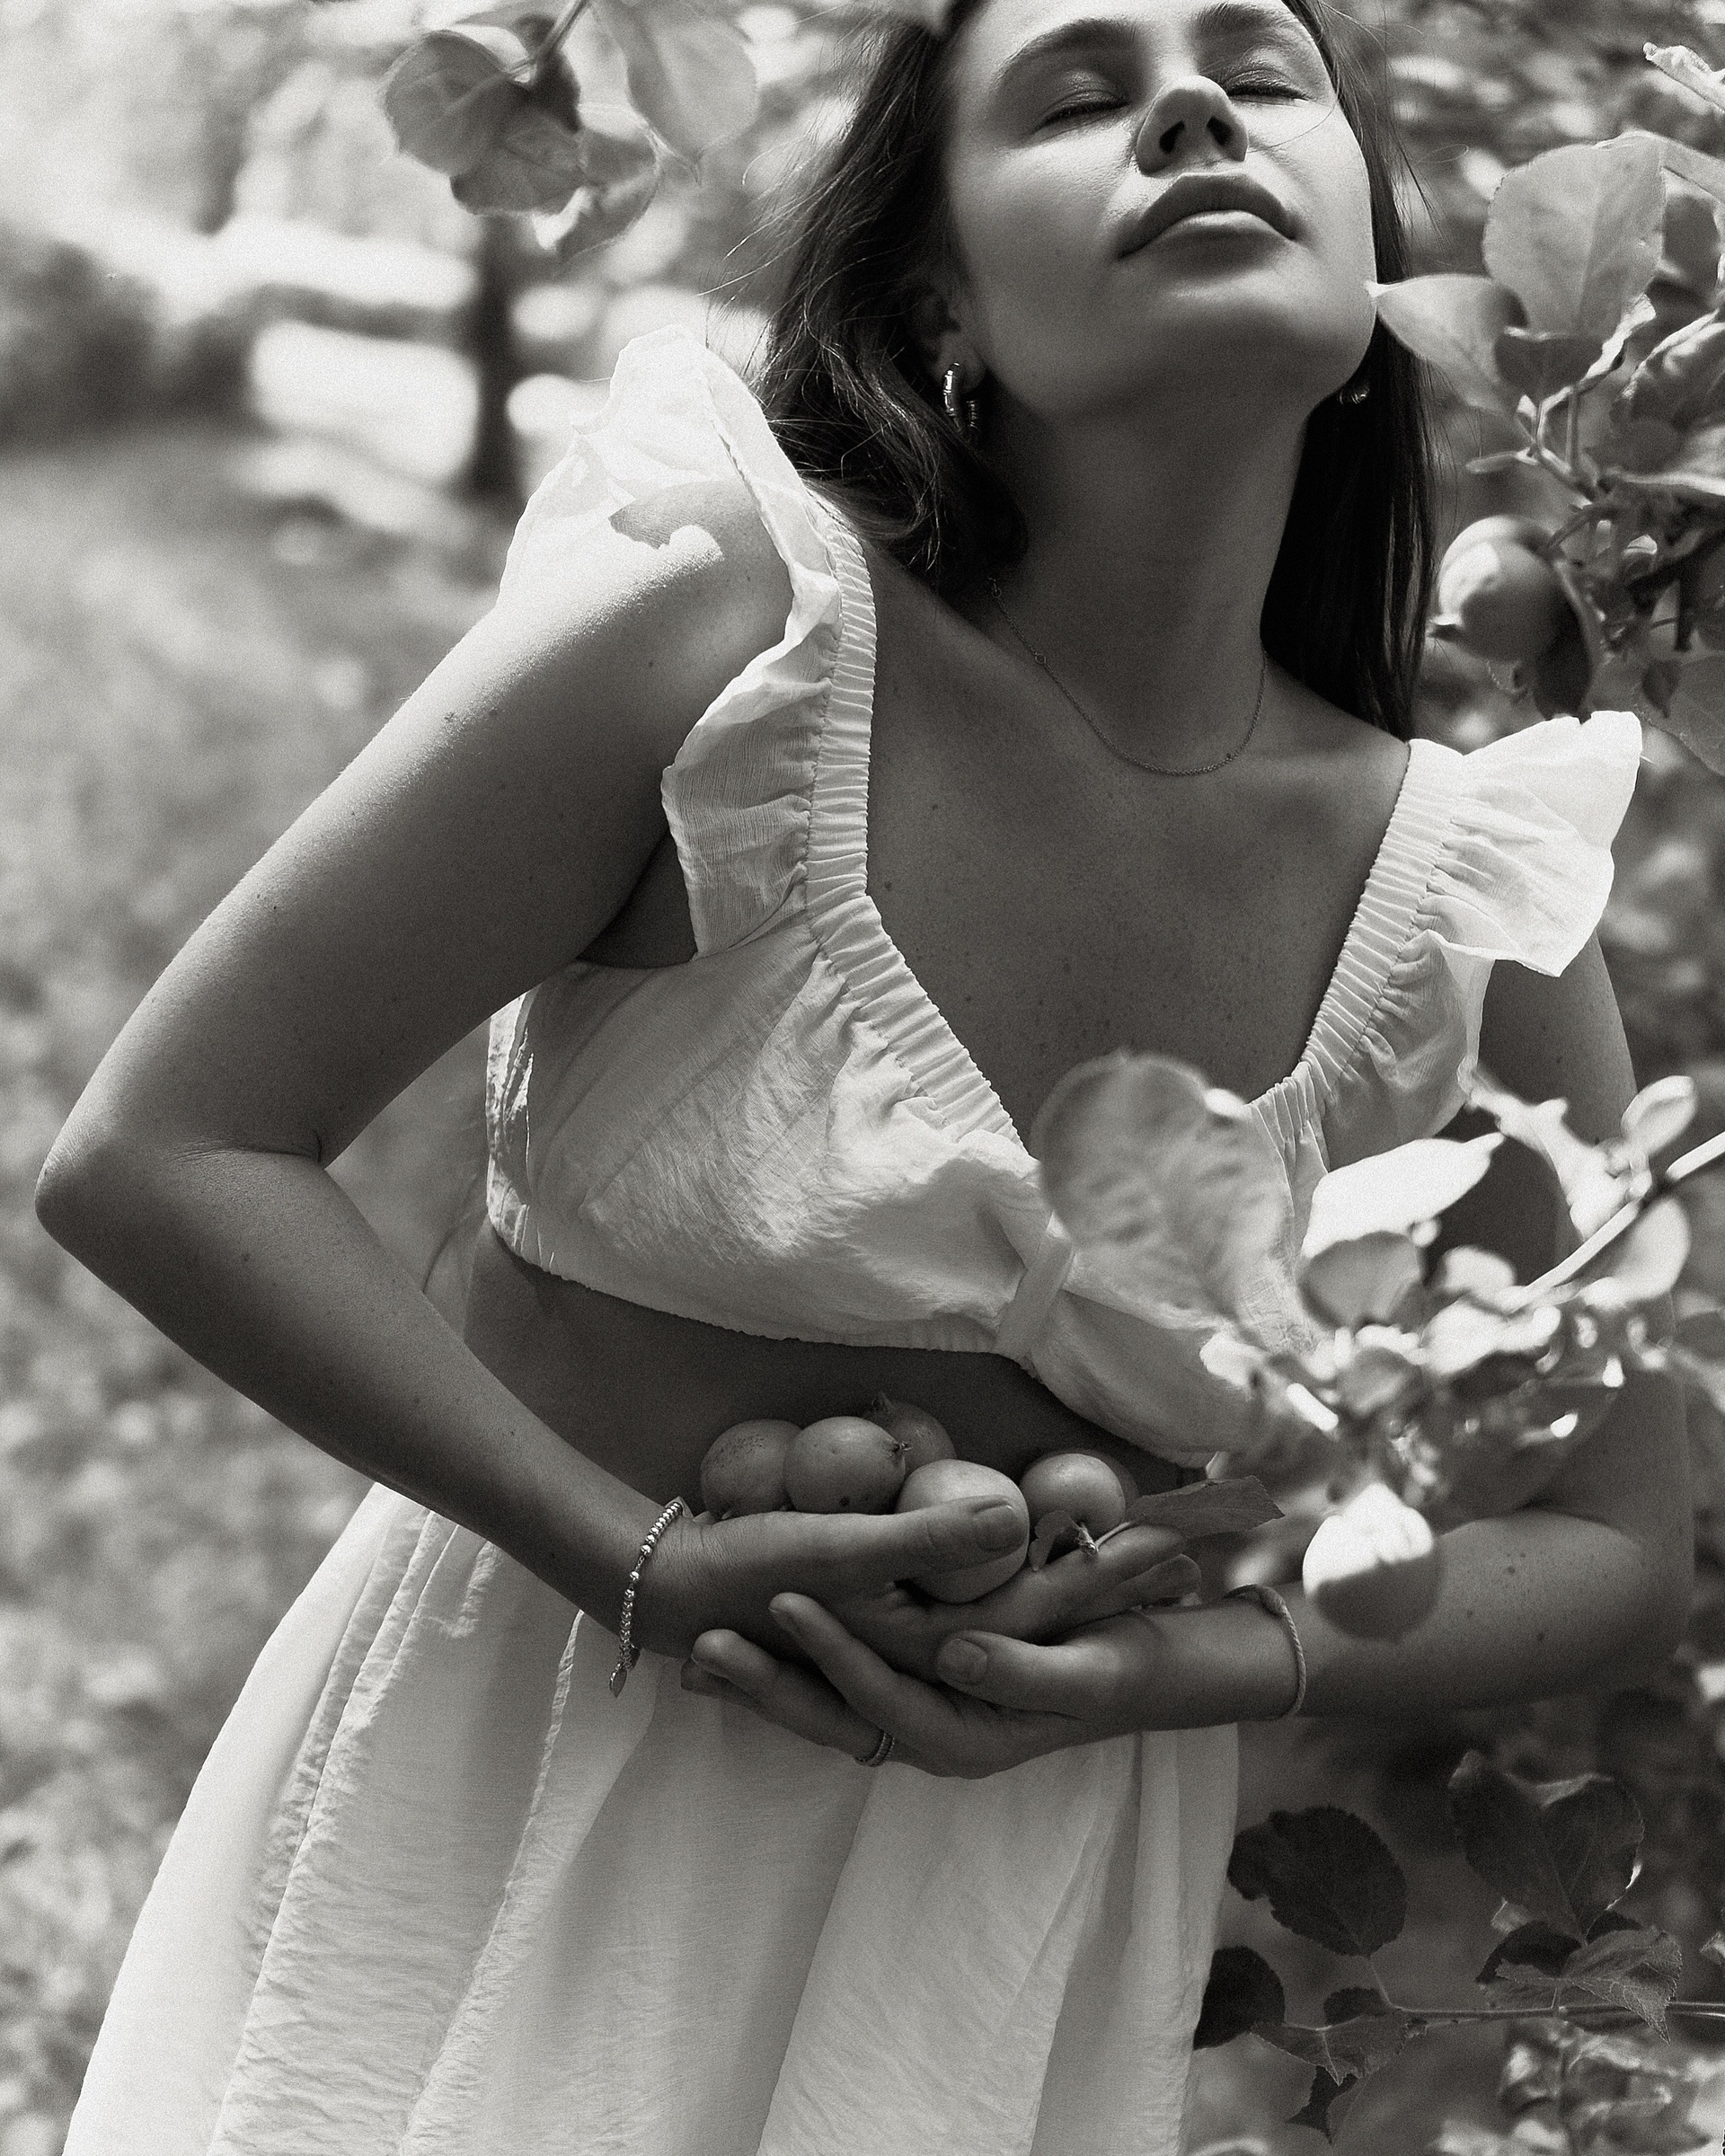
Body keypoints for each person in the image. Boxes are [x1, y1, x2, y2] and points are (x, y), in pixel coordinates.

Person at [35, 0, 1692, 2147]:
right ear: (940, 301)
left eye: (1262, 72)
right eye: (1079, 94)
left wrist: (1190, 1660)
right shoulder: (729, 641)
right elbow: (168, 1147)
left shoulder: (1470, 892)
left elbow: (1613, 1537)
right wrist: (622, 1552)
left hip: (1009, 1930)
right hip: (527, 1784)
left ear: (1379, 268)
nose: (1193, 104)